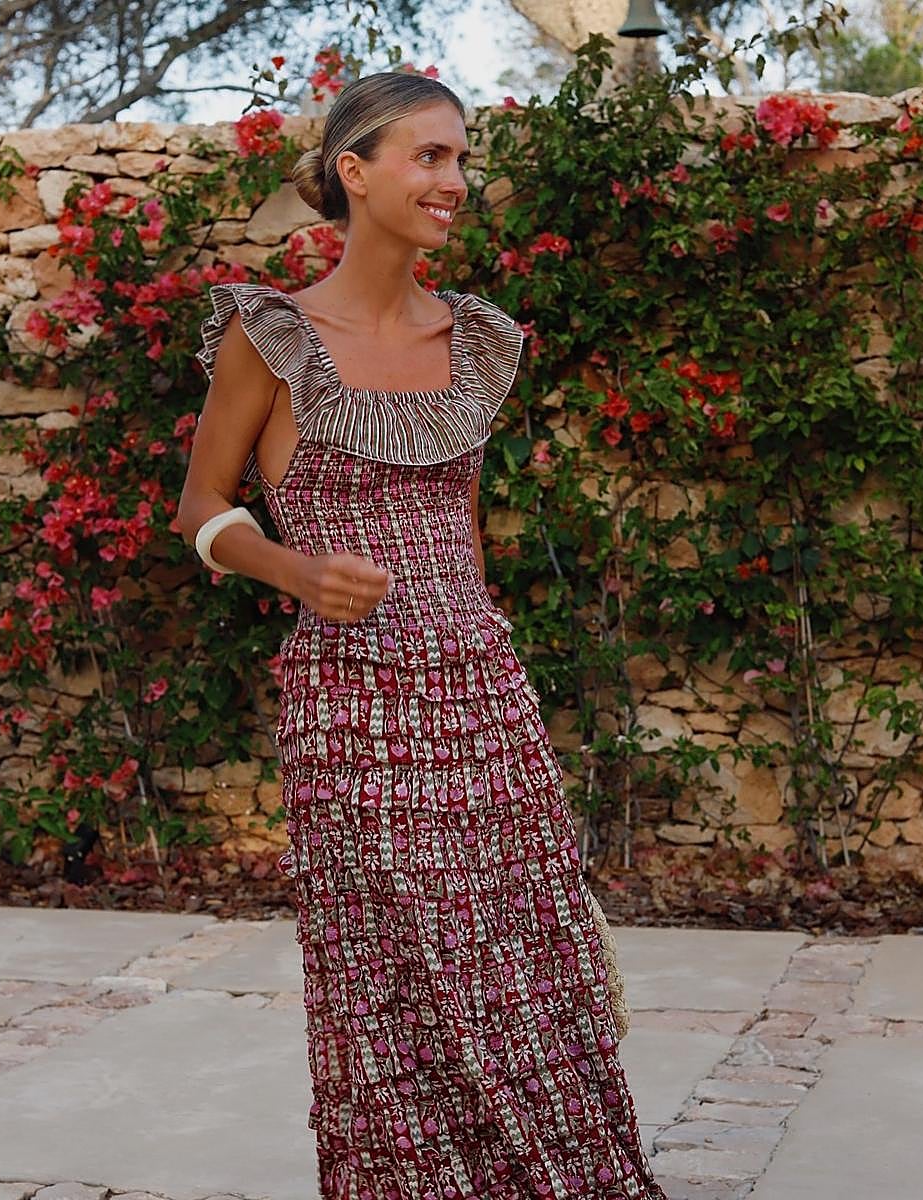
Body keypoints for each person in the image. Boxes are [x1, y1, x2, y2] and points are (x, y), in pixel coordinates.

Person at [178, 70, 667, 1200]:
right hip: (351, 709)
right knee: (394, 992)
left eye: (460, 157)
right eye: (428, 157)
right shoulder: (274, 333)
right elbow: (198, 506)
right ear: (354, 172)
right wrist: (291, 568)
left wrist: (496, 666)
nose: (455, 180)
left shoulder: (482, 342)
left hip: (484, 698)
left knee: (527, 975)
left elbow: (466, 536)